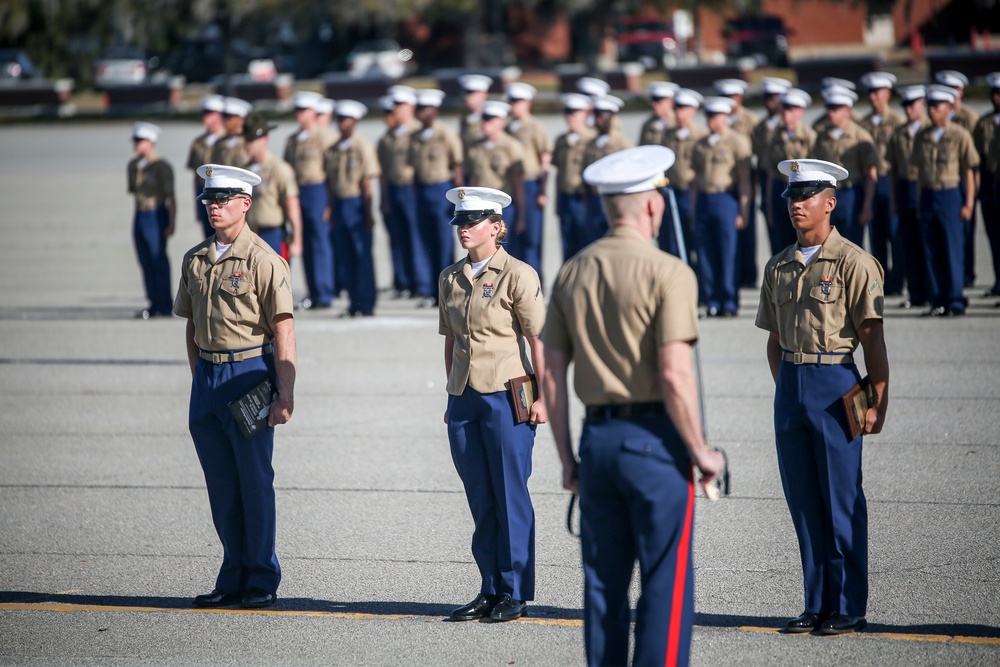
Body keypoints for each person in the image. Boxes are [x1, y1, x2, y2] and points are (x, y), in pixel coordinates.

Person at [542, 145, 723, 667]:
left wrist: (567, 460)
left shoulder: (573, 270)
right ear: (651, 206)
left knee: (602, 590)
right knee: (665, 588)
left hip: (597, 443)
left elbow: (552, 376)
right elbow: (673, 373)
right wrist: (701, 451)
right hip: (656, 444)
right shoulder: (669, 272)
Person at [756, 158, 889, 637]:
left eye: (806, 196)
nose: (796, 205)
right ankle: (816, 602)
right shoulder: (779, 265)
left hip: (839, 384)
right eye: (791, 197)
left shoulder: (854, 262)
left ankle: (849, 605)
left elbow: (872, 339)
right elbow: (773, 339)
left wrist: (878, 400)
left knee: (842, 499)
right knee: (804, 502)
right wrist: (789, 389)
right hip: (792, 385)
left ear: (830, 203)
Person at [175, 164, 296, 610]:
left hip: (248, 374)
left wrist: (285, 394)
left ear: (246, 203)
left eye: (224, 199)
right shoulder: (196, 258)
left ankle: (261, 577)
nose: (214, 206)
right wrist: (200, 381)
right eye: (209, 199)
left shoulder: (265, 260)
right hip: (208, 378)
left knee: (253, 481)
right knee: (222, 485)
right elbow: (191, 326)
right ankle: (232, 574)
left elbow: (283, 330)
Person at [439, 186, 547, 623]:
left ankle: (515, 590)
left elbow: (538, 341)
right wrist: (450, 394)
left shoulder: (518, 274)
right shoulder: (450, 277)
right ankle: (489, 587)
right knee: (481, 498)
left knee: (510, 495)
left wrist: (542, 399)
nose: (464, 229)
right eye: (460, 222)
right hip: (465, 396)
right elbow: (450, 340)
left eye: (473, 222)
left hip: (507, 394)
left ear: (496, 227)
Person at [910, 85, 979, 317]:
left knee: (952, 249)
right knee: (932, 251)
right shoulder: (922, 136)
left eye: (937, 106)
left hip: (950, 194)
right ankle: (938, 300)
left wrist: (969, 202)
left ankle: (956, 300)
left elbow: (969, 170)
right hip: (929, 195)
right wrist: (920, 203)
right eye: (929, 106)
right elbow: (919, 174)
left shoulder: (959, 134)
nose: (931, 110)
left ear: (949, 108)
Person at [691, 97, 752, 318]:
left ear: (726, 116)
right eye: (708, 115)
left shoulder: (737, 141)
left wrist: (743, 211)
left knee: (728, 253)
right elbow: (696, 180)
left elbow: (744, 180)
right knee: (706, 253)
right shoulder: (701, 143)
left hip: (726, 198)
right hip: (705, 200)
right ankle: (711, 301)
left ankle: (729, 301)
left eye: (715, 115)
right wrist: (694, 209)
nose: (711, 120)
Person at [325, 100, 381, 317]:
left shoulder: (362, 147)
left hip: (356, 204)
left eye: (346, 120)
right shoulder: (333, 149)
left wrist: (368, 213)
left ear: (355, 122)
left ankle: (366, 302)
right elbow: (330, 182)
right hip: (339, 204)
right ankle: (353, 303)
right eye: (339, 119)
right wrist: (329, 208)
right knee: (345, 256)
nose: (342, 124)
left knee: (362, 254)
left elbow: (367, 184)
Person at [409, 88, 464, 308]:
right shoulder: (415, 137)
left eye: (425, 108)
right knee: (425, 243)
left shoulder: (446, 135)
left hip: (442, 189)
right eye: (419, 108)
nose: (420, 113)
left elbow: (456, 167)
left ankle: (448, 290)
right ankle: (431, 290)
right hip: (422, 190)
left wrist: (458, 200)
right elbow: (413, 168)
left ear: (434, 110)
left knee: (443, 244)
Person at [285, 90, 336, 310]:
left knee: (320, 241)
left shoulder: (324, 136)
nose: (300, 114)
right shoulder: (293, 139)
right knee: (304, 241)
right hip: (299, 191)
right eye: (297, 110)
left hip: (318, 190)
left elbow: (332, 171)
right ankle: (313, 291)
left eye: (304, 110)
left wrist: (329, 202)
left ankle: (325, 291)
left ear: (314, 112)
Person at [811, 85, 878, 248]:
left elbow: (870, 174)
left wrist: (867, 205)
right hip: (827, 193)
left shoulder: (860, 136)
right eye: (830, 108)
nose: (831, 113)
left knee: (851, 246)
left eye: (836, 108)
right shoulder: (822, 136)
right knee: (826, 245)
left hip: (851, 194)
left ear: (847, 111)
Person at [859, 72, 907, 296]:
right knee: (875, 236)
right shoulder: (864, 123)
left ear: (887, 94)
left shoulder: (898, 121)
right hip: (869, 181)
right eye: (870, 93)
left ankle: (897, 281)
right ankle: (880, 281)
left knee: (895, 234)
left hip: (889, 179)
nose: (873, 97)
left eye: (877, 92)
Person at [887, 85, 932, 309]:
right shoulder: (899, 134)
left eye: (911, 105)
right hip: (905, 189)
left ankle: (933, 291)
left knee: (928, 244)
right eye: (904, 105)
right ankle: (916, 293)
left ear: (922, 105)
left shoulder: (930, 130)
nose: (907, 110)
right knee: (909, 245)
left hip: (925, 188)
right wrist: (895, 199)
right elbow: (893, 169)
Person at [128, 122, 175, 319]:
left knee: (158, 259)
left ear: (151, 142)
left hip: (156, 214)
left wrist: (172, 222)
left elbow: (171, 197)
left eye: (141, 140)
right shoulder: (133, 165)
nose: (136, 144)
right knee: (145, 260)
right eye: (135, 140)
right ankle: (153, 302)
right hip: (140, 214)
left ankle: (165, 303)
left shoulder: (162, 166)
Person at [748, 77, 793, 287]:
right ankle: (778, 279)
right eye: (767, 97)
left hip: (791, 181)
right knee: (774, 233)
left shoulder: (792, 126)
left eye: (774, 97)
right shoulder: (761, 127)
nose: (770, 101)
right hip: (770, 182)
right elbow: (759, 162)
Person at [505, 82, 552, 278]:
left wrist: (542, 190)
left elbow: (545, 160)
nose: (514, 105)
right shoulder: (507, 127)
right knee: (512, 236)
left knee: (532, 236)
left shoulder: (535, 127)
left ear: (528, 103)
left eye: (518, 101)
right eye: (512, 101)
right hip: (510, 185)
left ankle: (535, 280)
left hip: (530, 183)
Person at [377, 85, 420, 299]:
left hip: (411, 188)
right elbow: (383, 170)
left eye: (400, 106)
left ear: (411, 107)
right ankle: (402, 280)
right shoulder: (389, 137)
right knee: (397, 237)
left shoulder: (417, 133)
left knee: (415, 237)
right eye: (394, 106)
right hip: (394, 188)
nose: (396, 111)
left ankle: (420, 282)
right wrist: (384, 196)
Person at [243, 112, 303, 260]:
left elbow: (292, 206)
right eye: (247, 139)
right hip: (249, 234)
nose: (248, 144)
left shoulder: (278, 168)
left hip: (272, 234)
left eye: (252, 140)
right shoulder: (244, 170)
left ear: (265, 140)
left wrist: (297, 240)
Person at [465, 101, 526, 245]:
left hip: (503, 206)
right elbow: (473, 179)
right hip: (480, 207)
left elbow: (518, 183)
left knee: (504, 248)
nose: (486, 124)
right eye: (484, 119)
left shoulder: (512, 146)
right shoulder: (475, 147)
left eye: (491, 119)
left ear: (501, 122)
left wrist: (521, 216)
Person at [765, 88, 816, 254]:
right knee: (780, 244)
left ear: (800, 111)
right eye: (784, 108)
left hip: (802, 191)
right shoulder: (775, 137)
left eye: (791, 109)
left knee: (802, 242)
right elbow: (771, 173)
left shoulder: (809, 136)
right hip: (780, 188)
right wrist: (769, 205)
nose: (786, 113)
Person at [581, 95, 634, 249]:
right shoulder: (592, 143)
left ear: (611, 117)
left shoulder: (623, 143)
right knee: (594, 243)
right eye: (596, 115)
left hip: (616, 200)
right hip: (595, 200)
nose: (598, 120)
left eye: (602, 115)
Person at [660, 89, 706, 259]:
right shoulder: (668, 134)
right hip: (672, 190)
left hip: (692, 192)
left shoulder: (701, 135)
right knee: (673, 239)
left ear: (693, 110)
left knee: (696, 237)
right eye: (677, 107)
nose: (679, 112)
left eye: (684, 108)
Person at [552, 93, 597, 261]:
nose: (570, 116)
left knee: (587, 245)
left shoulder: (592, 139)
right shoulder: (562, 140)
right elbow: (558, 172)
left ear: (586, 113)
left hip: (585, 199)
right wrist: (557, 201)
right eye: (567, 112)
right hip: (566, 198)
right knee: (567, 246)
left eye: (575, 112)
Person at [973, 72, 1000, 297]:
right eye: (995, 93)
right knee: (994, 235)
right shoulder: (985, 123)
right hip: (991, 181)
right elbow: (978, 158)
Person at [187, 94, 227, 237]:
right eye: (204, 113)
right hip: (204, 191)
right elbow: (196, 175)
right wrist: (197, 206)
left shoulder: (229, 140)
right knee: (209, 238)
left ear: (219, 115)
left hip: (224, 193)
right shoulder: (198, 142)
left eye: (209, 113)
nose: (205, 117)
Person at [210, 97, 252, 168]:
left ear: (241, 119)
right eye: (224, 117)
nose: (225, 121)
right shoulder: (219, 143)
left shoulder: (249, 142)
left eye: (229, 117)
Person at [458, 73, 493, 154]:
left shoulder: (491, 118)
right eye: (466, 93)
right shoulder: (465, 119)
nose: (467, 96)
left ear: (484, 94)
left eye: (472, 93)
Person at [638, 81, 678, 146]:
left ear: (670, 103)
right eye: (653, 101)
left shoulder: (677, 123)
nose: (654, 105)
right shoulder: (648, 125)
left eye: (659, 102)